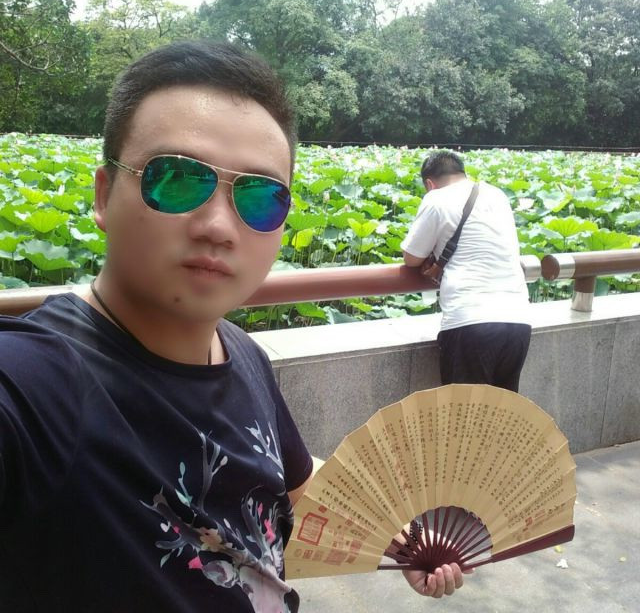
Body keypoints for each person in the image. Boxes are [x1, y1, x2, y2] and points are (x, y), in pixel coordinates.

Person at [0, 41, 466, 611]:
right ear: (103, 194)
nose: (219, 226)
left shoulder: (242, 352)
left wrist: (399, 537)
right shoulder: (33, 385)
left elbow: (294, 484)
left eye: (261, 196)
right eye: (176, 178)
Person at [402, 150, 531, 392]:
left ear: (429, 183)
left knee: (464, 413)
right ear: (462, 173)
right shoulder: (496, 194)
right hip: (518, 320)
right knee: (501, 410)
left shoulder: (436, 198)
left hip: (471, 320)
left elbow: (411, 257)